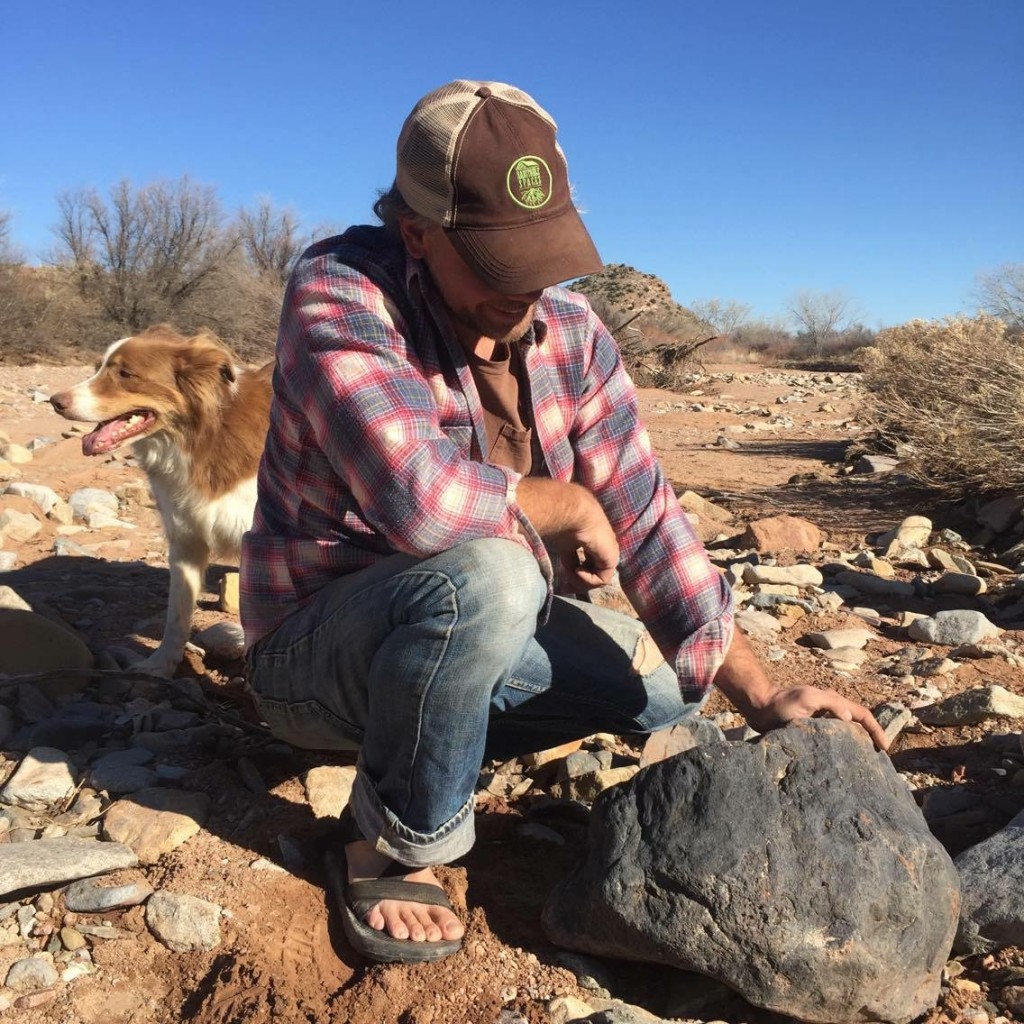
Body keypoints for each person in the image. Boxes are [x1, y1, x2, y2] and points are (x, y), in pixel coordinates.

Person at [239, 79, 888, 965]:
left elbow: (649, 511)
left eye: (543, 257)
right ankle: (396, 839)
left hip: (449, 630)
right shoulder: (341, 294)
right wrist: (565, 506)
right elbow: (420, 503)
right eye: (499, 262)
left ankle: (434, 727)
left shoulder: (574, 332)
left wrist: (761, 693)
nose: (528, 290)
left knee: (656, 690)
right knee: (492, 575)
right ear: (419, 234)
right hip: (314, 654)